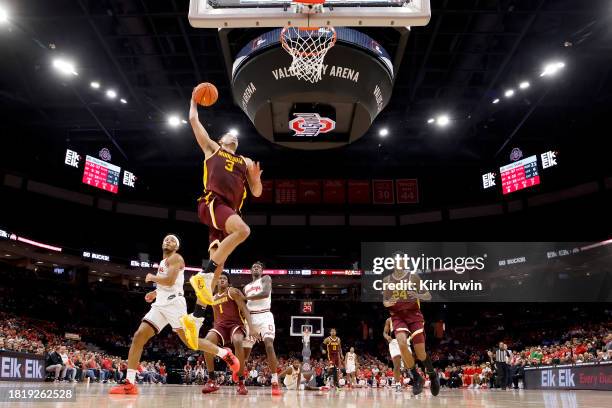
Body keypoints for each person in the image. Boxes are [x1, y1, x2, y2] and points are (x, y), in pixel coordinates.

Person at [109, 235, 240, 395]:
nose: (168, 241)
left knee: (191, 343)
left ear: (176, 247)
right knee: (138, 336)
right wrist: (155, 292)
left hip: (174, 304)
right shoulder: (163, 263)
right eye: (166, 239)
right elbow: (169, 284)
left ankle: (224, 353)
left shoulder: (176, 258)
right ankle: (130, 383)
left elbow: (170, 281)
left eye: (172, 240)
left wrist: (152, 278)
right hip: (160, 305)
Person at [181, 93, 263, 348]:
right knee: (243, 230)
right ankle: (202, 277)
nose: (234, 136)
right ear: (220, 140)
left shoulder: (245, 161)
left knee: (218, 269)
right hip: (214, 203)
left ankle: (194, 319)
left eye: (236, 136)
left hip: (228, 213)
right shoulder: (212, 148)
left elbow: (257, 192)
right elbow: (194, 121)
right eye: (229, 135)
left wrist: (256, 179)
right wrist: (193, 99)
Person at [382, 257, 439, 396]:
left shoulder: (413, 277)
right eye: (396, 261)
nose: (399, 263)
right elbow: (385, 301)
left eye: (402, 261)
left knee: (420, 353)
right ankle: (416, 377)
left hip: (414, 315)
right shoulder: (387, 280)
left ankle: (432, 375)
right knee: (401, 343)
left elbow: (428, 295)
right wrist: (389, 303)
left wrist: (418, 294)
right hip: (398, 316)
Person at [200, 273, 257, 395]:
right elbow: (216, 317)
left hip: (235, 325)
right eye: (220, 278)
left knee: (237, 341)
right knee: (206, 342)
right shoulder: (213, 297)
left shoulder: (232, 292)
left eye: (224, 278)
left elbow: (244, 309)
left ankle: (241, 382)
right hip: (220, 326)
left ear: (228, 282)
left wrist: (251, 328)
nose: (221, 280)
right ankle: (211, 380)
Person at [242, 261, 281, 395]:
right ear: (250, 271)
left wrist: (246, 297)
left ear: (262, 270)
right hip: (251, 318)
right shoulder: (246, 287)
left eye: (258, 267)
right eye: (253, 267)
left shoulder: (266, 278)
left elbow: (265, 293)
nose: (256, 268)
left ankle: (275, 381)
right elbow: (244, 307)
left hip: (265, 315)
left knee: (269, 345)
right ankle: (241, 380)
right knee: (245, 353)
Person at [383, 317, 405, 392]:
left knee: (407, 364)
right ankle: (398, 384)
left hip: (404, 340)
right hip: (394, 342)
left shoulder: (405, 316)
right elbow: (385, 332)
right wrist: (387, 336)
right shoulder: (389, 320)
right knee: (396, 365)